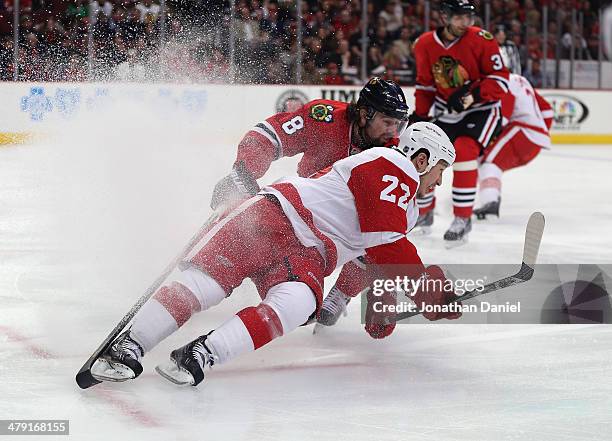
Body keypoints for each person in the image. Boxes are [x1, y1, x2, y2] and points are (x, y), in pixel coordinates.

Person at [90, 122, 460, 386]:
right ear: (422, 158)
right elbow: (388, 247)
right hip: (274, 216)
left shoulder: (407, 208)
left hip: (309, 254)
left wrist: (382, 303)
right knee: (208, 285)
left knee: (295, 305)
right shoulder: (391, 165)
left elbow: (372, 258)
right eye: (441, 168)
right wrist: (427, 290)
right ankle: (129, 344)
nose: (440, 181)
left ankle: (200, 354)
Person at [409, 0, 510, 245]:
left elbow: (501, 80)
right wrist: (421, 115)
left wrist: (471, 96)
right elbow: (425, 85)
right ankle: (423, 212)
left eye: (469, 17)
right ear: (444, 17)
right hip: (447, 110)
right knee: (424, 154)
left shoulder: (482, 39)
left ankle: (462, 219)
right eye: (459, 17)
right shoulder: (424, 44)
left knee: (464, 151)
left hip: (482, 109)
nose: (466, 23)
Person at [473, 74, 553, 219]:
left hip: (522, 132)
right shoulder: (521, 80)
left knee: (488, 163)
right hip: (534, 140)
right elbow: (547, 111)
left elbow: (502, 118)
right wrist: (541, 134)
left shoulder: (503, 82)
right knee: (487, 161)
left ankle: (489, 203)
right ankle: (481, 200)